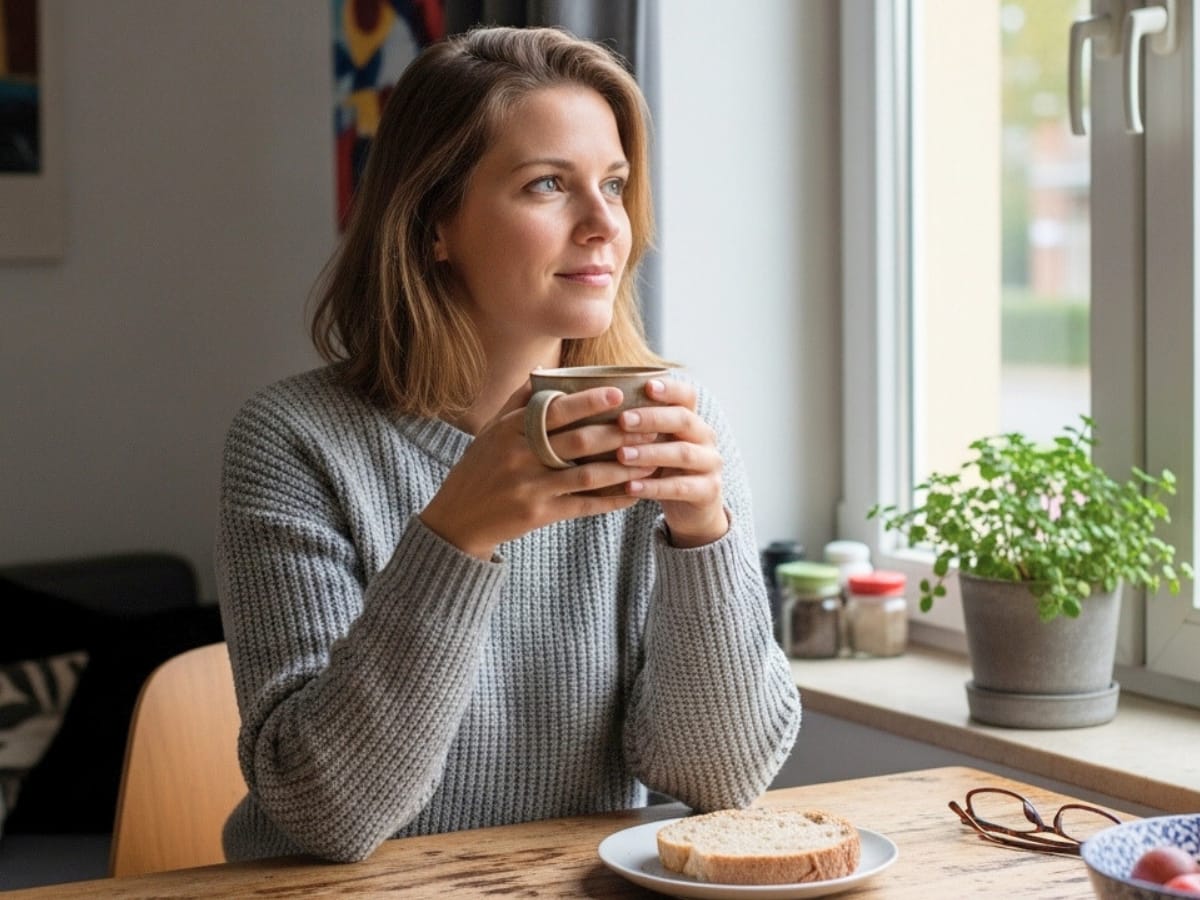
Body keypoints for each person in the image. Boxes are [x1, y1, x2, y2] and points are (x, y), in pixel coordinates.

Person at [215, 25, 801, 865]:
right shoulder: (294, 441)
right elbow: (326, 815)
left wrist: (703, 538)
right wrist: (455, 534)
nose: (606, 224)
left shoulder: (676, 426)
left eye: (615, 184)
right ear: (432, 224)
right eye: (548, 186)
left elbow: (722, 781)